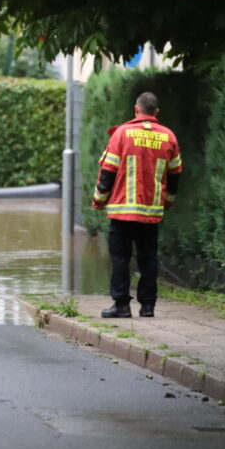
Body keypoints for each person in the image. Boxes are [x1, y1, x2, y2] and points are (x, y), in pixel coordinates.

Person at [91, 92, 182, 319]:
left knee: (120, 259)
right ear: (156, 112)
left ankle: (121, 305)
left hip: (122, 212)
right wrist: (168, 202)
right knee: (148, 258)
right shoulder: (169, 137)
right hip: (151, 213)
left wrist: (98, 201)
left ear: (136, 110)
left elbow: (107, 173)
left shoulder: (121, 134)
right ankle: (148, 306)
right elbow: (175, 175)